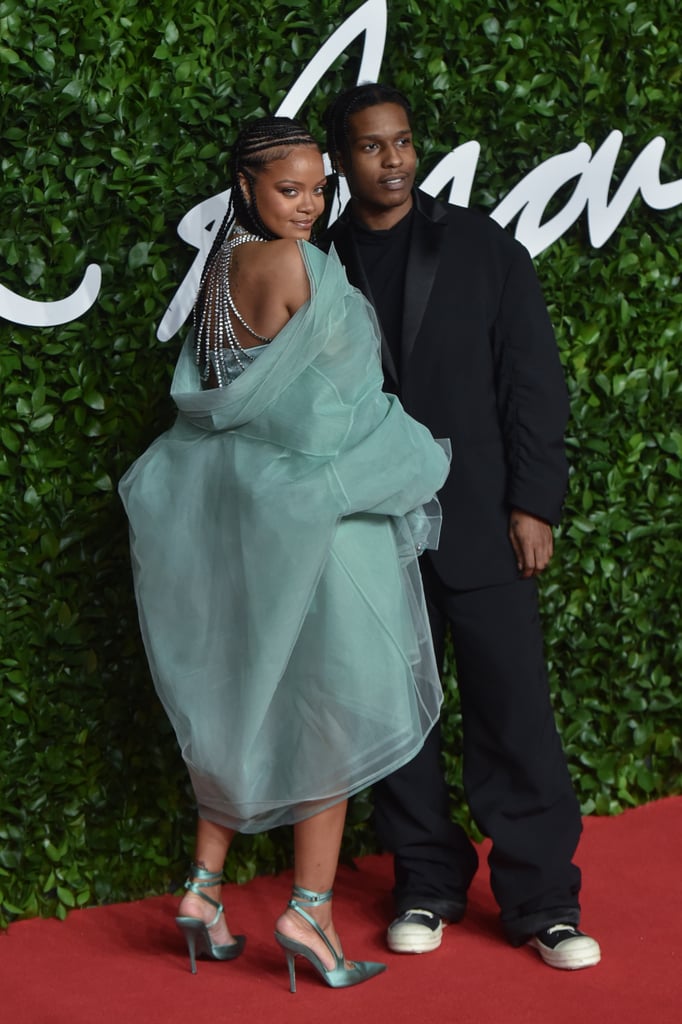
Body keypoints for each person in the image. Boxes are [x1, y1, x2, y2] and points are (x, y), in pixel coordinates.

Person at [118, 115, 451, 991]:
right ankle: (311, 914)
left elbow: (231, 406)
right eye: (289, 189)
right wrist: (405, 450)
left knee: (248, 700)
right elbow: (344, 415)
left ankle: (203, 890)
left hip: (245, 520)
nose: (308, 205)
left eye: (317, 189)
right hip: (321, 532)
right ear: (247, 190)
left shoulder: (222, 274)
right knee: (329, 721)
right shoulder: (301, 268)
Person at [321, 84, 601, 971]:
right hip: (372, 532)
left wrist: (535, 502)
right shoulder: (316, 263)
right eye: (372, 147)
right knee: (398, 721)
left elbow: (532, 381)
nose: (394, 160)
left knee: (515, 712)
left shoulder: (481, 246)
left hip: (484, 521)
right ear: (341, 160)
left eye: (403, 142)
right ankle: (428, 885)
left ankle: (544, 902)